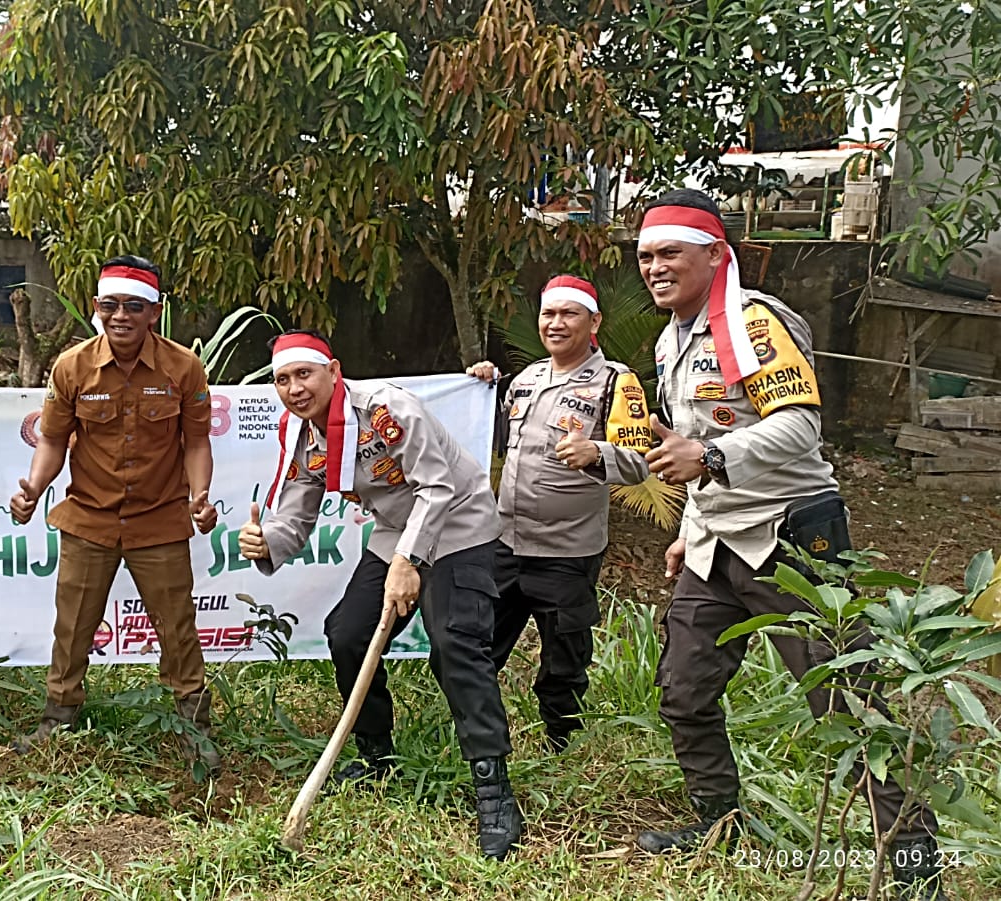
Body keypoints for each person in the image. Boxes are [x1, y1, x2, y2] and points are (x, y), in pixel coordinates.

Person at [636, 189, 945, 899]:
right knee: (683, 688)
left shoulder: (756, 324)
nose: (654, 267)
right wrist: (688, 530)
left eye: (669, 253)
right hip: (716, 543)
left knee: (847, 703)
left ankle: (914, 859)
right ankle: (718, 820)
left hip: (790, 537)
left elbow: (801, 427)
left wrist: (709, 461)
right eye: (646, 256)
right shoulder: (671, 338)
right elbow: (687, 443)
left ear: (715, 254)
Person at [238, 330, 524, 859]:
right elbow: (296, 517)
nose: (295, 388)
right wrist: (264, 543)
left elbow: (437, 488)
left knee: (454, 644)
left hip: (460, 523)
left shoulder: (388, 408)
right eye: (282, 380)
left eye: (304, 374)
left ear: (333, 371)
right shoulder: (301, 436)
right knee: (346, 633)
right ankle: (376, 756)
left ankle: (494, 791)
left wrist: (407, 563)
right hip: (397, 530)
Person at [8, 255, 221, 774]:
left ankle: (196, 726)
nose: (120, 315)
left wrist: (201, 494)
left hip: (160, 521)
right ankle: (59, 717)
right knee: (73, 625)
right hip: (89, 519)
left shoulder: (183, 368)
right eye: (110, 305)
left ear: (155, 312)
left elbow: (196, 442)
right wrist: (35, 487)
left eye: (134, 306)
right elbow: (53, 438)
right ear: (95, 306)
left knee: (178, 628)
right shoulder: (72, 367)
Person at [468, 275, 652, 752]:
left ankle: (561, 741)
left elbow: (637, 463)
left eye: (569, 314)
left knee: (563, 658)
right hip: (505, 544)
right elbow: (490, 438)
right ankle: (479, 736)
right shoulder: (525, 380)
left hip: (566, 552)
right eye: (549, 314)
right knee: (479, 644)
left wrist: (596, 452)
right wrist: (478, 387)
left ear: (594, 322)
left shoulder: (615, 382)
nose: (556, 323)